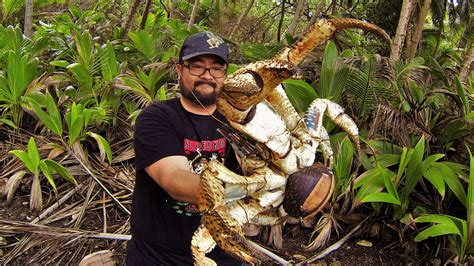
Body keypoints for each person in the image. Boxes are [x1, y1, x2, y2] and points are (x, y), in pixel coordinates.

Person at [125, 31, 242, 265]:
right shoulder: (157, 117)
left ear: (225, 74)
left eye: (216, 68)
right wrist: (258, 187)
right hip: (158, 258)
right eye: (197, 67)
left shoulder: (242, 122)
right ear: (180, 70)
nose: (207, 76)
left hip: (225, 255)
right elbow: (174, 180)